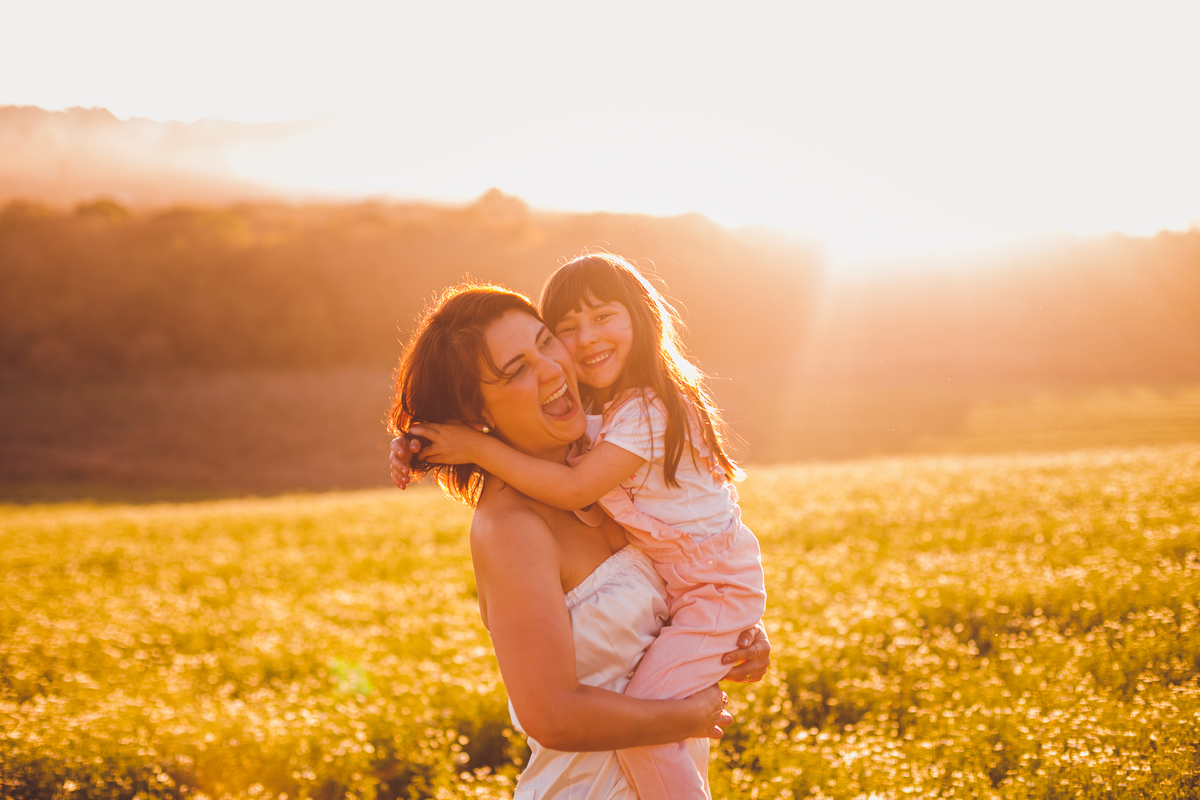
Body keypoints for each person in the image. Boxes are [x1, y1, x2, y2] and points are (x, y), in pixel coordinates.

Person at [397, 254, 767, 800]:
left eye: (546, 342)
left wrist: (728, 636)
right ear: (476, 415)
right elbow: (552, 716)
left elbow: (682, 576)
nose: (550, 368)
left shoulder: (608, 467)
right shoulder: (512, 528)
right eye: (515, 369)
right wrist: (685, 715)